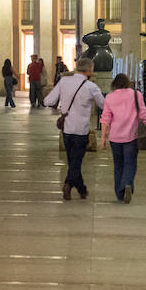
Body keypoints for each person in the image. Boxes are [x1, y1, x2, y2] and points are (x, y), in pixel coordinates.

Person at [44, 57, 105, 200]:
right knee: (76, 162)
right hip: (81, 130)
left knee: (73, 161)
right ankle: (68, 185)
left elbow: (48, 101)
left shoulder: (64, 81)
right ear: (89, 70)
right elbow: (103, 105)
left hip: (67, 130)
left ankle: (82, 190)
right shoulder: (91, 87)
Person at [100, 73, 146, 203]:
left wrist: (102, 139)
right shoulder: (136, 95)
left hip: (115, 137)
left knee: (118, 165)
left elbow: (105, 119)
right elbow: (142, 113)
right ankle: (127, 183)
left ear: (114, 84)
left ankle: (119, 193)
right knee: (130, 163)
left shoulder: (110, 97)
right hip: (132, 136)